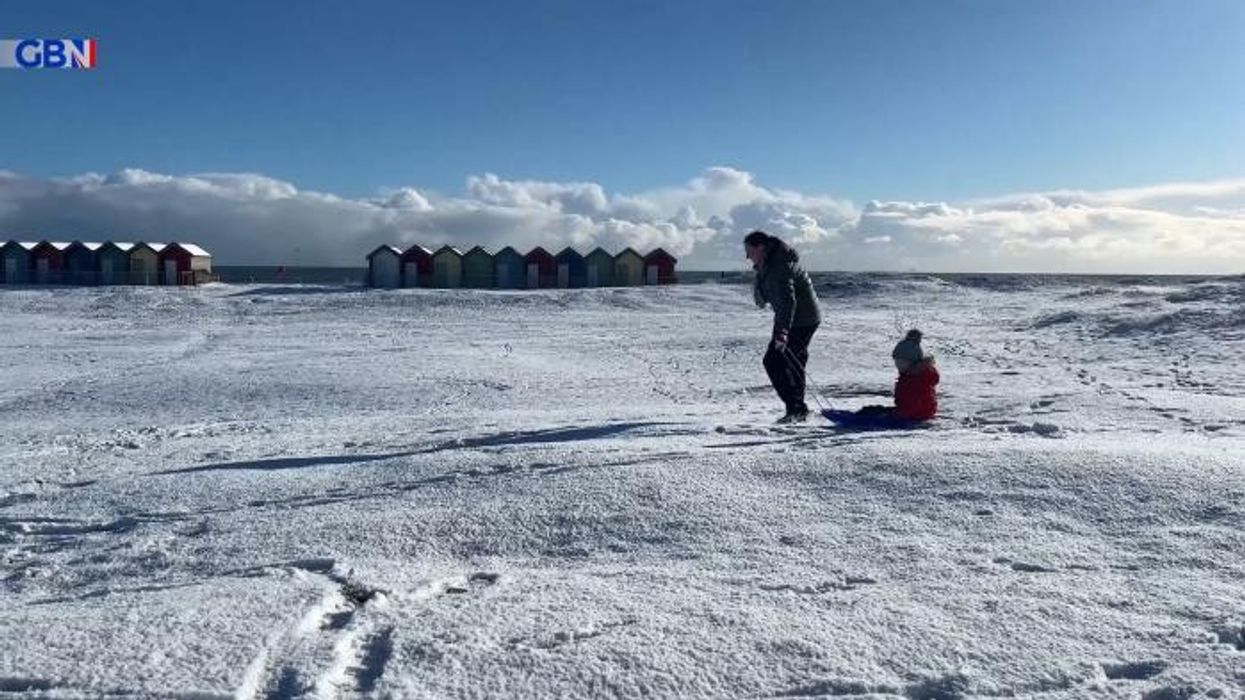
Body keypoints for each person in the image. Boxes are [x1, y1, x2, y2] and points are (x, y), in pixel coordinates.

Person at [745, 230, 822, 423]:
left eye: (750, 251)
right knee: (793, 360)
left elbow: (788, 302)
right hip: (794, 319)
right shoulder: (769, 264)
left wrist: (782, 333)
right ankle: (797, 409)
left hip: (802, 320)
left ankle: (796, 409)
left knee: (774, 361)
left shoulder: (779, 266)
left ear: (761, 248)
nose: (747, 256)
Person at [827, 329, 940, 427]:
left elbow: (915, 406)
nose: (897, 365)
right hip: (906, 412)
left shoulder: (916, 379)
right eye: (896, 362)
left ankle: (860, 420)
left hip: (913, 417)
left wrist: (897, 415)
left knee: (875, 415)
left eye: (901, 362)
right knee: (872, 410)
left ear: (912, 362)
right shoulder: (909, 375)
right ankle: (861, 415)